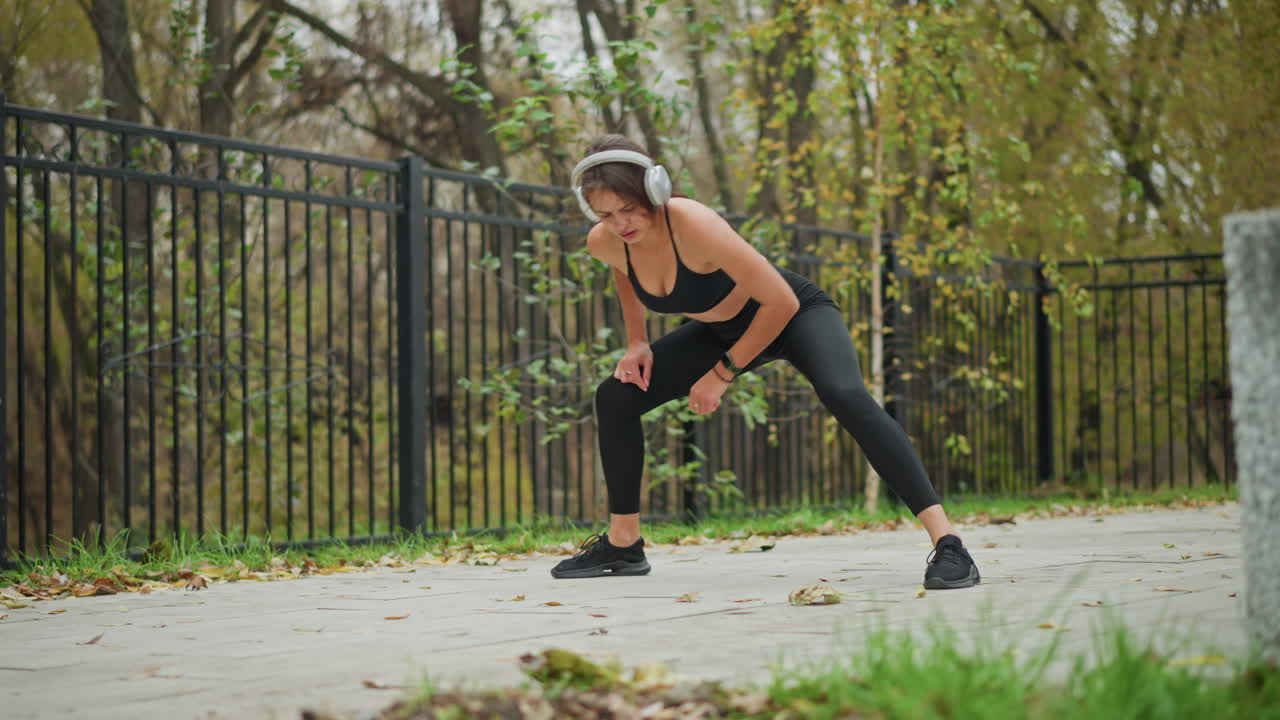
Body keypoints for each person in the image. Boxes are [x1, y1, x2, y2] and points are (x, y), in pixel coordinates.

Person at [551, 135, 980, 589]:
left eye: (630, 209)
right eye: (606, 214)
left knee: (845, 394)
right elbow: (624, 272)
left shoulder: (692, 223)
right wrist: (637, 341)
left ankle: (949, 543)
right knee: (616, 397)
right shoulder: (606, 242)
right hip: (723, 329)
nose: (621, 224)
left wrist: (721, 374)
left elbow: (780, 302)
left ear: (653, 188)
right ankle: (623, 545)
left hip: (794, 313)